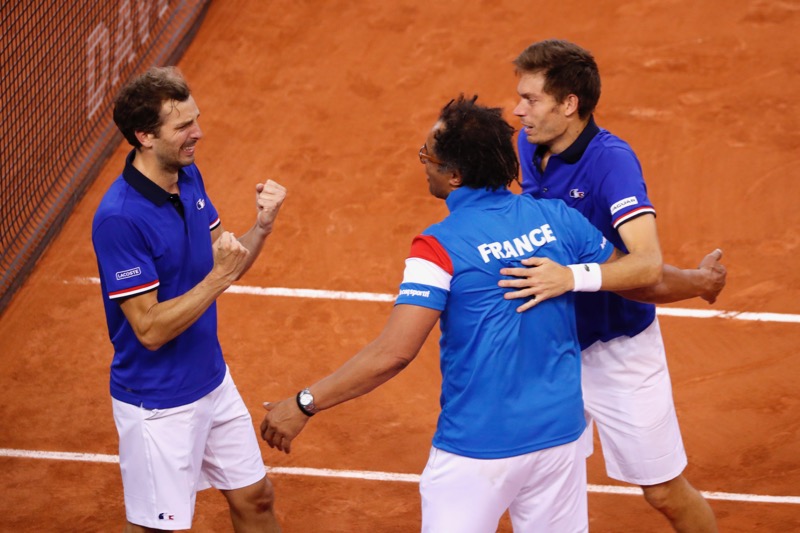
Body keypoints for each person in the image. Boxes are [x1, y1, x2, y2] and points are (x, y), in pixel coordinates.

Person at [258, 95, 663, 532]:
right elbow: (640, 277)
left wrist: (305, 403)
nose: (424, 164)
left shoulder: (436, 247)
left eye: (426, 157)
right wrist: (698, 281)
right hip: (560, 439)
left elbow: (394, 352)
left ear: (453, 175)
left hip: (477, 449)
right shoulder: (557, 218)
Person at [498, 39, 724, 532]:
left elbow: (645, 266)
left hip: (619, 352)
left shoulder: (612, 163)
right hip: (552, 346)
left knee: (664, 491)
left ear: (569, 104)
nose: (518, 110)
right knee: (530, 485)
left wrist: (568, 278)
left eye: (531, 99)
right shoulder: (528, 143)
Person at [91, 66, 284, 533]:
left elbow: (226, 259)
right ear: (144, 136)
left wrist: (260, 227)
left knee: (256, 498)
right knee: (162, 528)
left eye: (195, 119)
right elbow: (150, 329)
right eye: (182, 126)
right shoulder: (119, 219)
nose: (198, 133)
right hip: (158, 404)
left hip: (211, 380)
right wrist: (218, 278)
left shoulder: (188, 175)